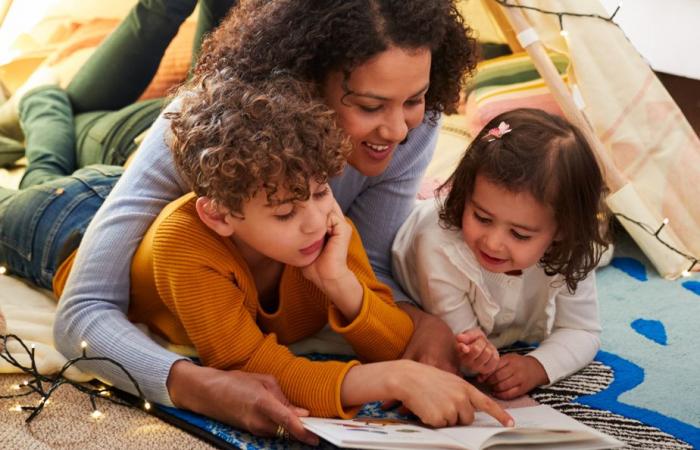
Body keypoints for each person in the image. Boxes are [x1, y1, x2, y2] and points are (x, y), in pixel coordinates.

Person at [52, 0, 482, 437]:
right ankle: (44, 108)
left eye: (414, 99)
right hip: (76, 206)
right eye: (370, 106)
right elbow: (81, 315)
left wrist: (419, 321)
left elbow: (366, 265)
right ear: (307, 83)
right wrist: (196, 385)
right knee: (55, 156)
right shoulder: (193, 128)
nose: (398, 130)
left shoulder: (414, 127)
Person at [392, 108, 611, 400]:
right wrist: (476, 355)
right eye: (482, 217)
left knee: (599, 250)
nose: (493, 243)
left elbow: (583, 331)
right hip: (412, 236)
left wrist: (537, 366)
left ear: (562, 230)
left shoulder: (573, 249)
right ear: (465, 195)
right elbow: (461, 349)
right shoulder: (437, 245)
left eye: (519, 234)